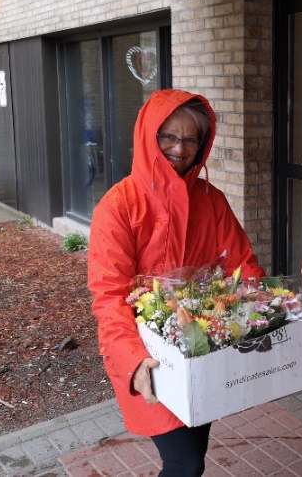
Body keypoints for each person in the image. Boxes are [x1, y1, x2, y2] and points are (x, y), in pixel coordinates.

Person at [88, 89, 265, 476]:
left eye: (190, 139)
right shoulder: (119, 206)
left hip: (202, 343)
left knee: (195, 444)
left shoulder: (210, 199)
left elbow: (244, 266)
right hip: (146, 351)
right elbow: (109, 296)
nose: (179, 149)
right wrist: (131, 360)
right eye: (167, 136)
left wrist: (269, 310)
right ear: (148, 135)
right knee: (184, 461)